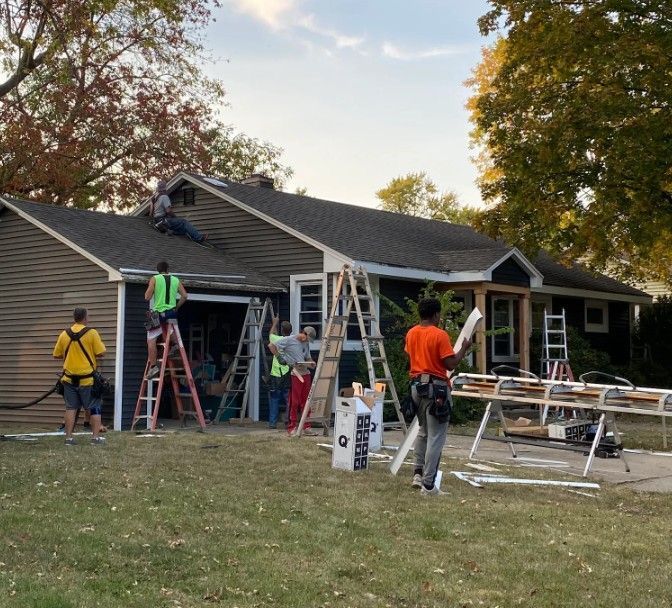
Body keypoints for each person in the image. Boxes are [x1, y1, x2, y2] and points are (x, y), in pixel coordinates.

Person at [405, 298, 471, 496]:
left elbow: (409, 356)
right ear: (435, 315)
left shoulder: (411, 333)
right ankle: (428, 485)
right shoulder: (439, 335)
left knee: (423, 432)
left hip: (417, 386)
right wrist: (463, 349)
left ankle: (417, 473)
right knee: (436, 437)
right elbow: (450, 364)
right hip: (437, 389)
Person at [53, 308, 107, 446]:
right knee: (94, 407)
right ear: (85, 318)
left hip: (69, 378)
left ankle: (69, 438)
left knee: (71, 408)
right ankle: (95, 438)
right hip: (87, 379)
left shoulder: (64, 334)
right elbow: (101, 353)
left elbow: (56, 354)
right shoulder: (92, 333)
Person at [268, 326, 316, 434]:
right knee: (294, 401)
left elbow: (307, 357)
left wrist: (311, 363)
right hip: (295, 373)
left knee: (306, 401)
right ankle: (292, 427)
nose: (307, 341)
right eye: (307, 338)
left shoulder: (306, 343)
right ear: (305, 334)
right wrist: (279, 357)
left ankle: (306, 426)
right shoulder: (289, 340)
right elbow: (271, 345)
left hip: (305, 373)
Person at [145, 260, 188, 379]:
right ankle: (175, 346)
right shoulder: (175, 279)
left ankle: (153, 367)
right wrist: (176, 307)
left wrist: (151, 286)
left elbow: (147, 297)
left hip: (159, 313)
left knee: (151, 340)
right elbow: (185, 296)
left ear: (158, 270)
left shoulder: (155, 278)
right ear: (168, 269)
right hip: (172, 313)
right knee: (169, 331)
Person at [151, 179, 208, 243]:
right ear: (165, 189)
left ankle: (170, 231)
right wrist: (175, 217)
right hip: (163, 221)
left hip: (157, 221)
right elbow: (168, 211)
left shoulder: (154, 198)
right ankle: (199, 238)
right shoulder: (164, 197)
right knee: (183, 222)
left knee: (183, 230)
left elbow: (151, 213)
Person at [267, 316, 292, 429]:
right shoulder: (291, 341)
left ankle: (272, 423)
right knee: (288, 399)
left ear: (282, 330)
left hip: (277, 374)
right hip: (287, 372)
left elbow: (271, 335)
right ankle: (288, 422)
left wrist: (275, 322)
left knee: (274, 398)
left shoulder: (277, 340)